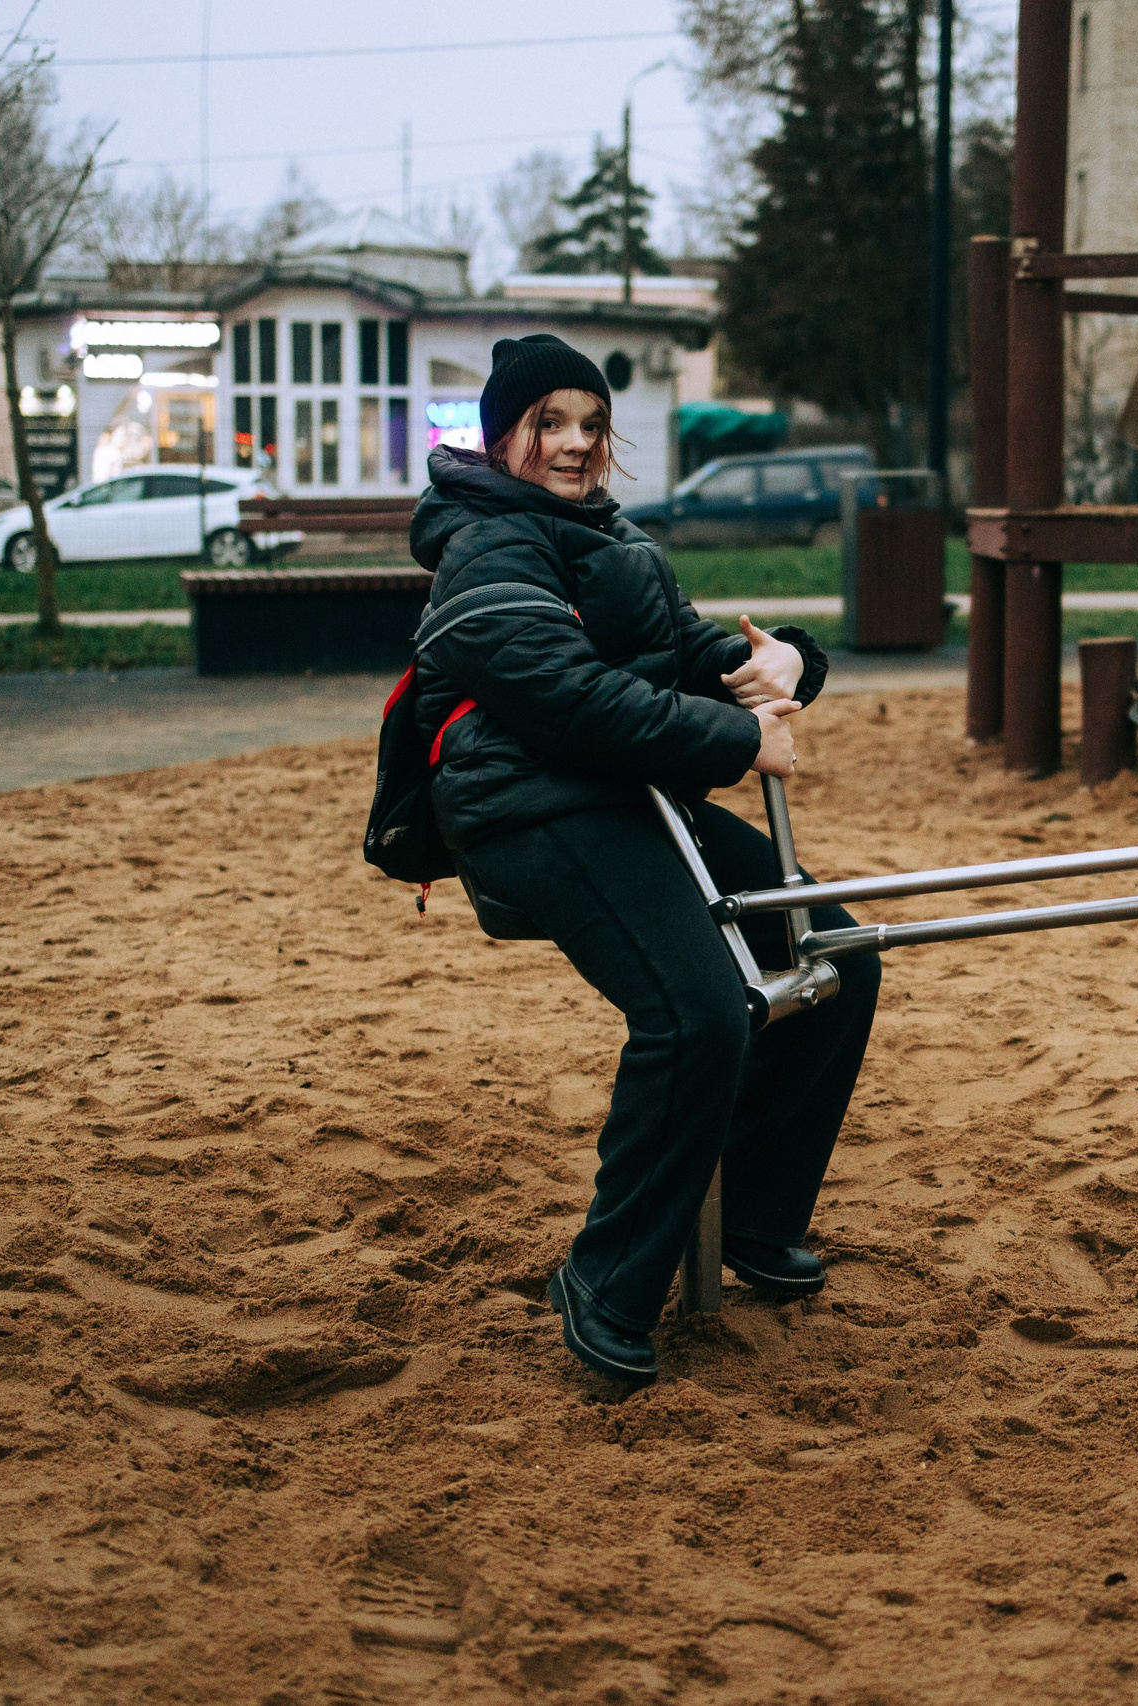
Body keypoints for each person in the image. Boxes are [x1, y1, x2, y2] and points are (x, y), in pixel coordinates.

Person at [407, 334, 882, 1388]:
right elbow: (567, 699)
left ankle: (753, 1215)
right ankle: (607, 1277)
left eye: (590, 423)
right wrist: (736, 739)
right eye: (549, 423)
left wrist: (775, 660)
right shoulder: (485, 545)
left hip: (623, 792)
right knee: (698, 1011)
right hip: (528, 806)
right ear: (503, 435)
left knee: (834, 953)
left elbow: (677, 648)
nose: (574, 443)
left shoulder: (606, 534)